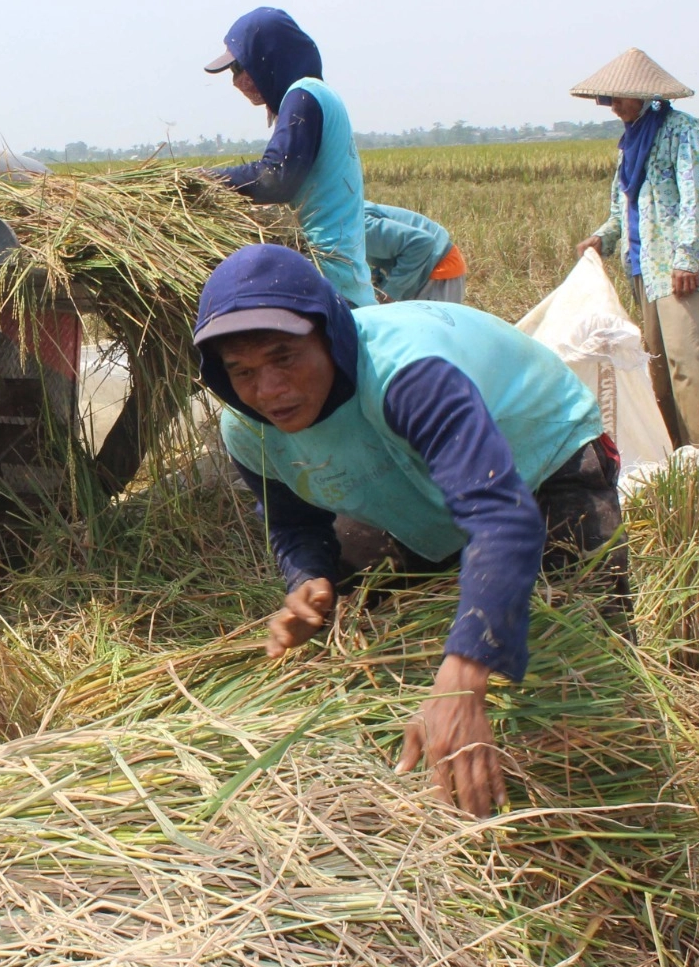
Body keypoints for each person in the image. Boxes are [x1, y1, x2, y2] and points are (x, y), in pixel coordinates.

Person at [195, 244, 625, 817]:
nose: (269, 389)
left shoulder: (408, 375)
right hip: (411, 477)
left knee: (582, 660)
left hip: (536, 462)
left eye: (284, 357)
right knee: (384, 632)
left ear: (330, 336)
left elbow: (501, 514)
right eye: (242, 372)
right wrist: (307, 575)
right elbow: (294, 521)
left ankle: (600, 796)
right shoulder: (247, 431)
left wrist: (466, 670)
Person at [570, 48, 699, 450]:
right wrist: (603, 238)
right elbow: (623, 207)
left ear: (644, 95)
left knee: (684, 363)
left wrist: (687, 258)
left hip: (676, 268)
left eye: (619, 97)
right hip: (643, 267)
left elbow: (697, 197)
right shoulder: (629, 143)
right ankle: (670, 450)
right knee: (654, 366)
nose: (613, 106)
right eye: (609, 99)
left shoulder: (680, 131)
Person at [202, 7, 377, 307]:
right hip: (337, 279)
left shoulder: (304, 95)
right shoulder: (315, 95)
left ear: (266, 58)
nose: (236, 82)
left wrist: (204, 181)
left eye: (238, 68)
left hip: (327, 283)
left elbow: (275, 177)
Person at [364, 202, 468, 303]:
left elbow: (422, 243)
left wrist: (390, 293)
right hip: (414, 274)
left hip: (435, 270)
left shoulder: (358, 225)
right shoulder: (352, 214)